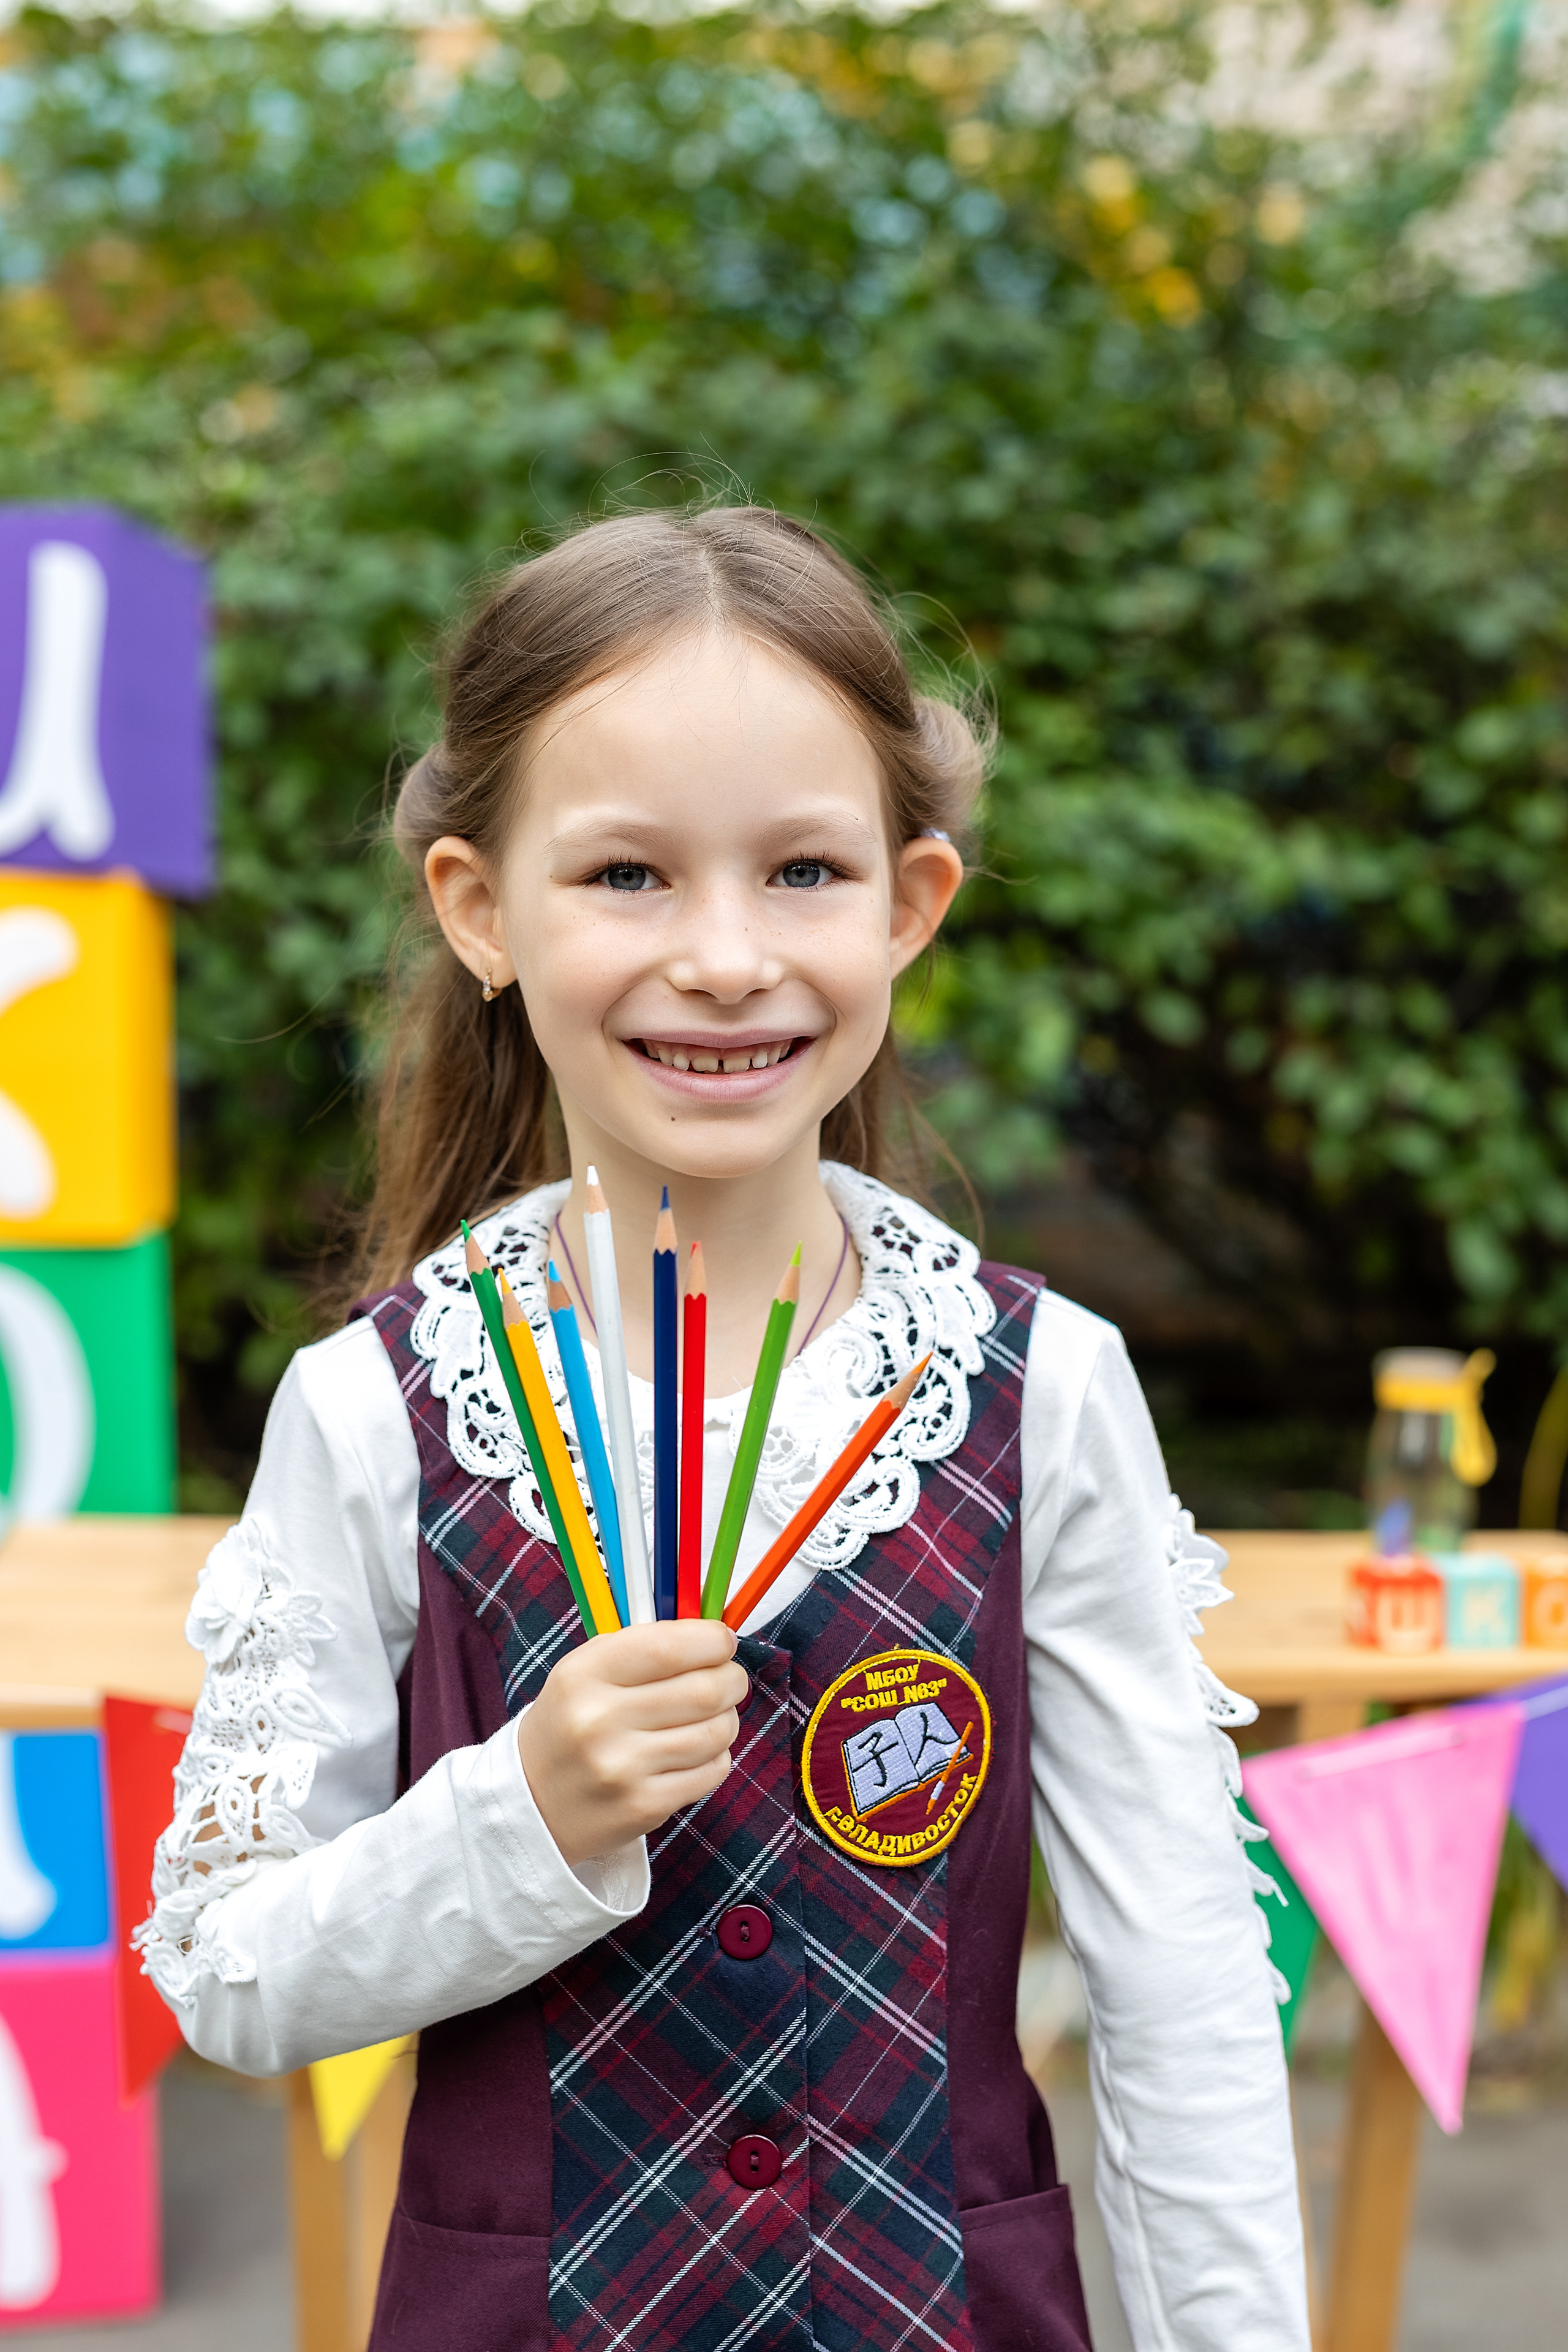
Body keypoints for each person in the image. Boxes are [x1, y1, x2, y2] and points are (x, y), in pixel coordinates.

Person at [141, 507, 1309, 2351]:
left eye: (803, 873)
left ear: (909, 905)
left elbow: (1180, 1984)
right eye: (625, 876)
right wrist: (516, 1820)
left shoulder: (1040, 1387)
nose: (722, 957)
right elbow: (223, 1964)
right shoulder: (378, 1410)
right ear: (480, 911)